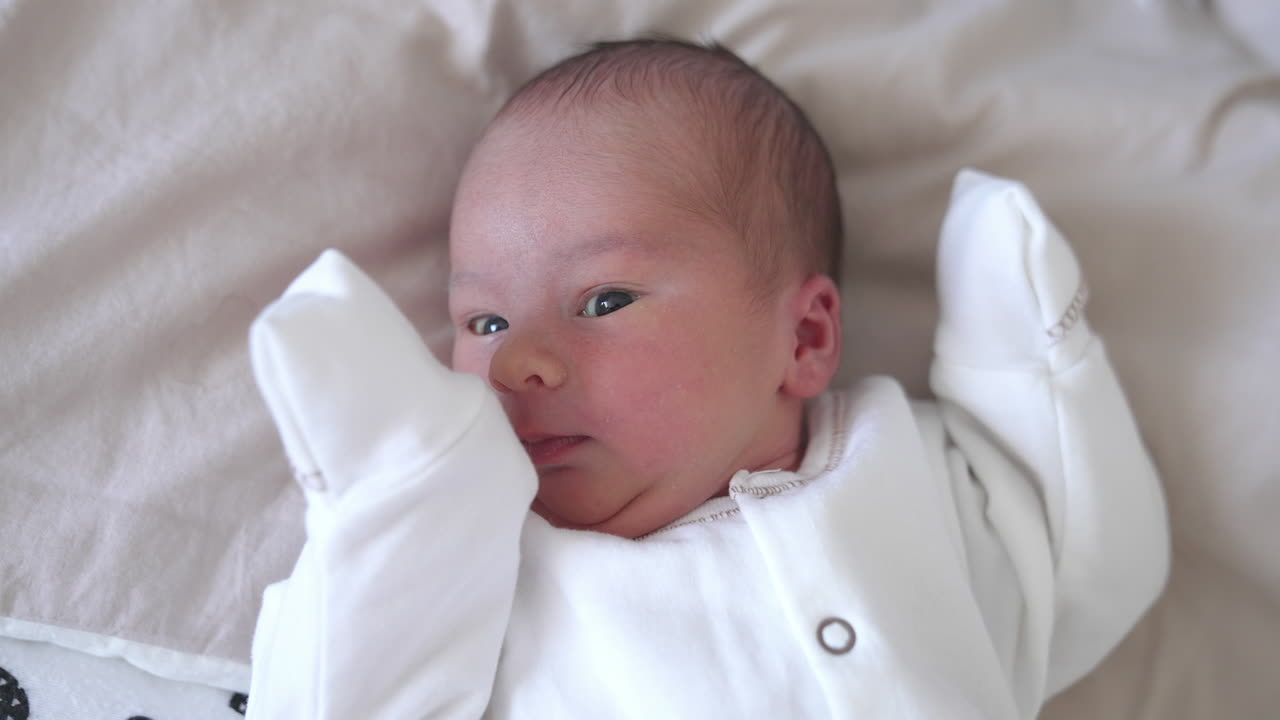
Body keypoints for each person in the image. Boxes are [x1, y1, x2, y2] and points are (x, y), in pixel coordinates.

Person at [244, 39, 1169, 719]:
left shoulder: (907, 467)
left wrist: (1022, 365)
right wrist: (397, 498)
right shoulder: (487, 566)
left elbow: (1084, 570)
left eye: (604, 300)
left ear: (803, 336)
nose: (517, 361)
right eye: (484, 321)